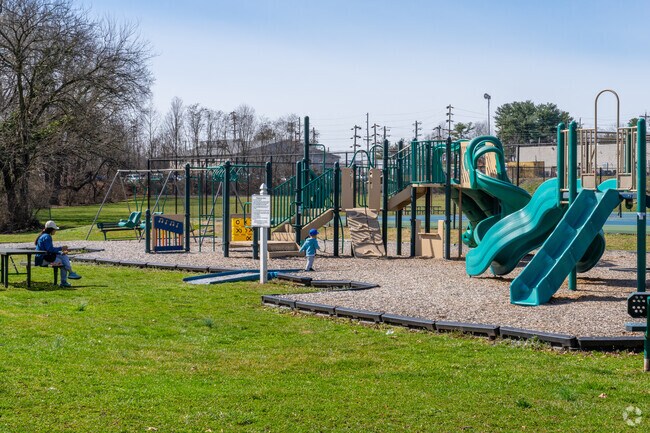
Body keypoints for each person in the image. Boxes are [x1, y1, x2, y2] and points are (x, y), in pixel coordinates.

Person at [34, 220, 82, 287]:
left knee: (63, 257)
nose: (55, 231)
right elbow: (50, 250)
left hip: (41, 258)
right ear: (51, 229)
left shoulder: (43, 235)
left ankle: (69, 275)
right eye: (55, 230)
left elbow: (49, 250)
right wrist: (61, 248)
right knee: (62, 262)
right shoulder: (47, 237)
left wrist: (61, 252)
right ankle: (66, 279)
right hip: (42, 260)